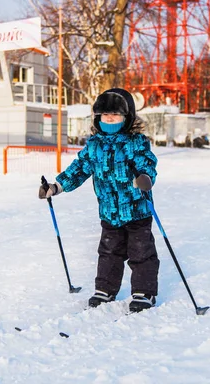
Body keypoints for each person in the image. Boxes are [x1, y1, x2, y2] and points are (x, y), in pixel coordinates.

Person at [39, 88, 160, 313]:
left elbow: (147, 164)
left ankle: (145, 292)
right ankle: (105, 289)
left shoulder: (137, 142)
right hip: (109, 211)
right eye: (105, 114)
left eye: (115, 114)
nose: (110, 118)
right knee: (108, 252)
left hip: (137, 210)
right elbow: (79, 169)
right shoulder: (94, 145)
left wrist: (145, 178)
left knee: (141, 253)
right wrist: (57, 187)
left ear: (127, 117)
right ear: (98, 117)